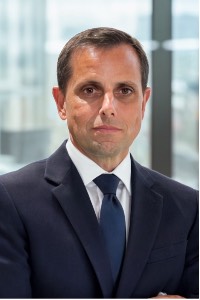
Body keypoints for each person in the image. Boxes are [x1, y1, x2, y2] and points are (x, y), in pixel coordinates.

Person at [0, 27, 198, 299]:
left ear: (143, 103)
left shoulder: (188, 207)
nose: (108, 106)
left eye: (125, 90)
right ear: (61, 102)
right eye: (90, 89)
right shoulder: (10, 200)